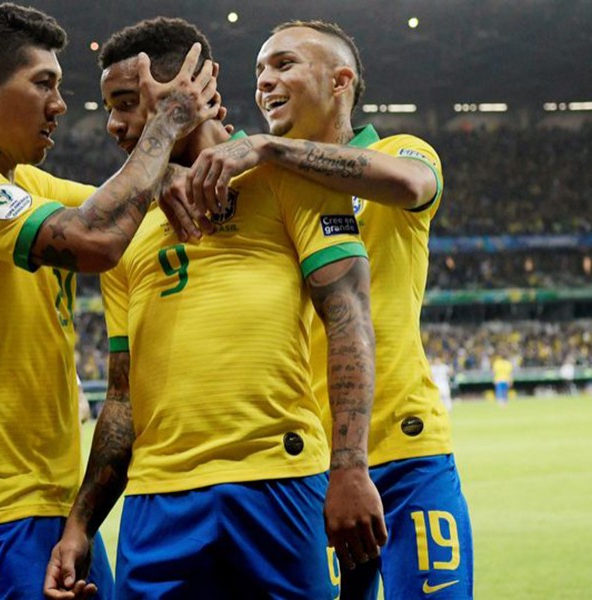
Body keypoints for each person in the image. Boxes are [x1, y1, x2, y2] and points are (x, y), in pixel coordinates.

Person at [44, 17, 382, 599]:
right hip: (157, 500)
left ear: (193, 92)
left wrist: (350, 465)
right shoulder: (125, 232)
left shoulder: (286, 175)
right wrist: (80, 524)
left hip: (279, 481)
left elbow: (348, 313)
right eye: (109, 106)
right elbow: (122, 400)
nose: (113, 124)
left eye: (128, 102)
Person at [0, 3, 219, 598]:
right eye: (44, 84)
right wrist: (164, 125)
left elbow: (132, 203)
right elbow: (99, 238)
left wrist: (192, 168)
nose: (60, 103)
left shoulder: (26, 183)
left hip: (47, 493)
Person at [186, 19, 474, 600]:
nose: (265, 80)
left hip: (406, 453)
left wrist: (269, 145)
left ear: (341, 80)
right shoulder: (258, 187)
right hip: (306, 468)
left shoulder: (399, 151)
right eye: (260, 71)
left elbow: (411, 184)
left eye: (284, 64)